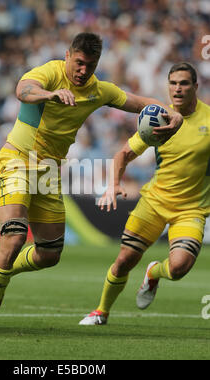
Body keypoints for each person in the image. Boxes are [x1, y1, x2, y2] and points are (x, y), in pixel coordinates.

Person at [0, 32, 183, 334]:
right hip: (16, 160)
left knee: (49, 254)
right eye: (80, 63)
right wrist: (49, 95)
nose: (84, 70)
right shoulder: (50, 72)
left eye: (91, 65)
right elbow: (24, 89)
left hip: (48, 172)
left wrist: (172, 114)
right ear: (68, 56)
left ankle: (3, 270)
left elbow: (140, 103)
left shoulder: (99, 90)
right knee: (15, 237)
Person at [79, 62, 210, 325]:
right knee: (125, 260)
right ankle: (101, 311)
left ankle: (154, 273)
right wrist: (114, 183)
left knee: (178, 268)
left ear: (196, 86)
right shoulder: (158, 119)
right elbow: (123, 154)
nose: (178, 89)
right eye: (173, 83)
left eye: (184, 83)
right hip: (154, 202)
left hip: (191, 208)